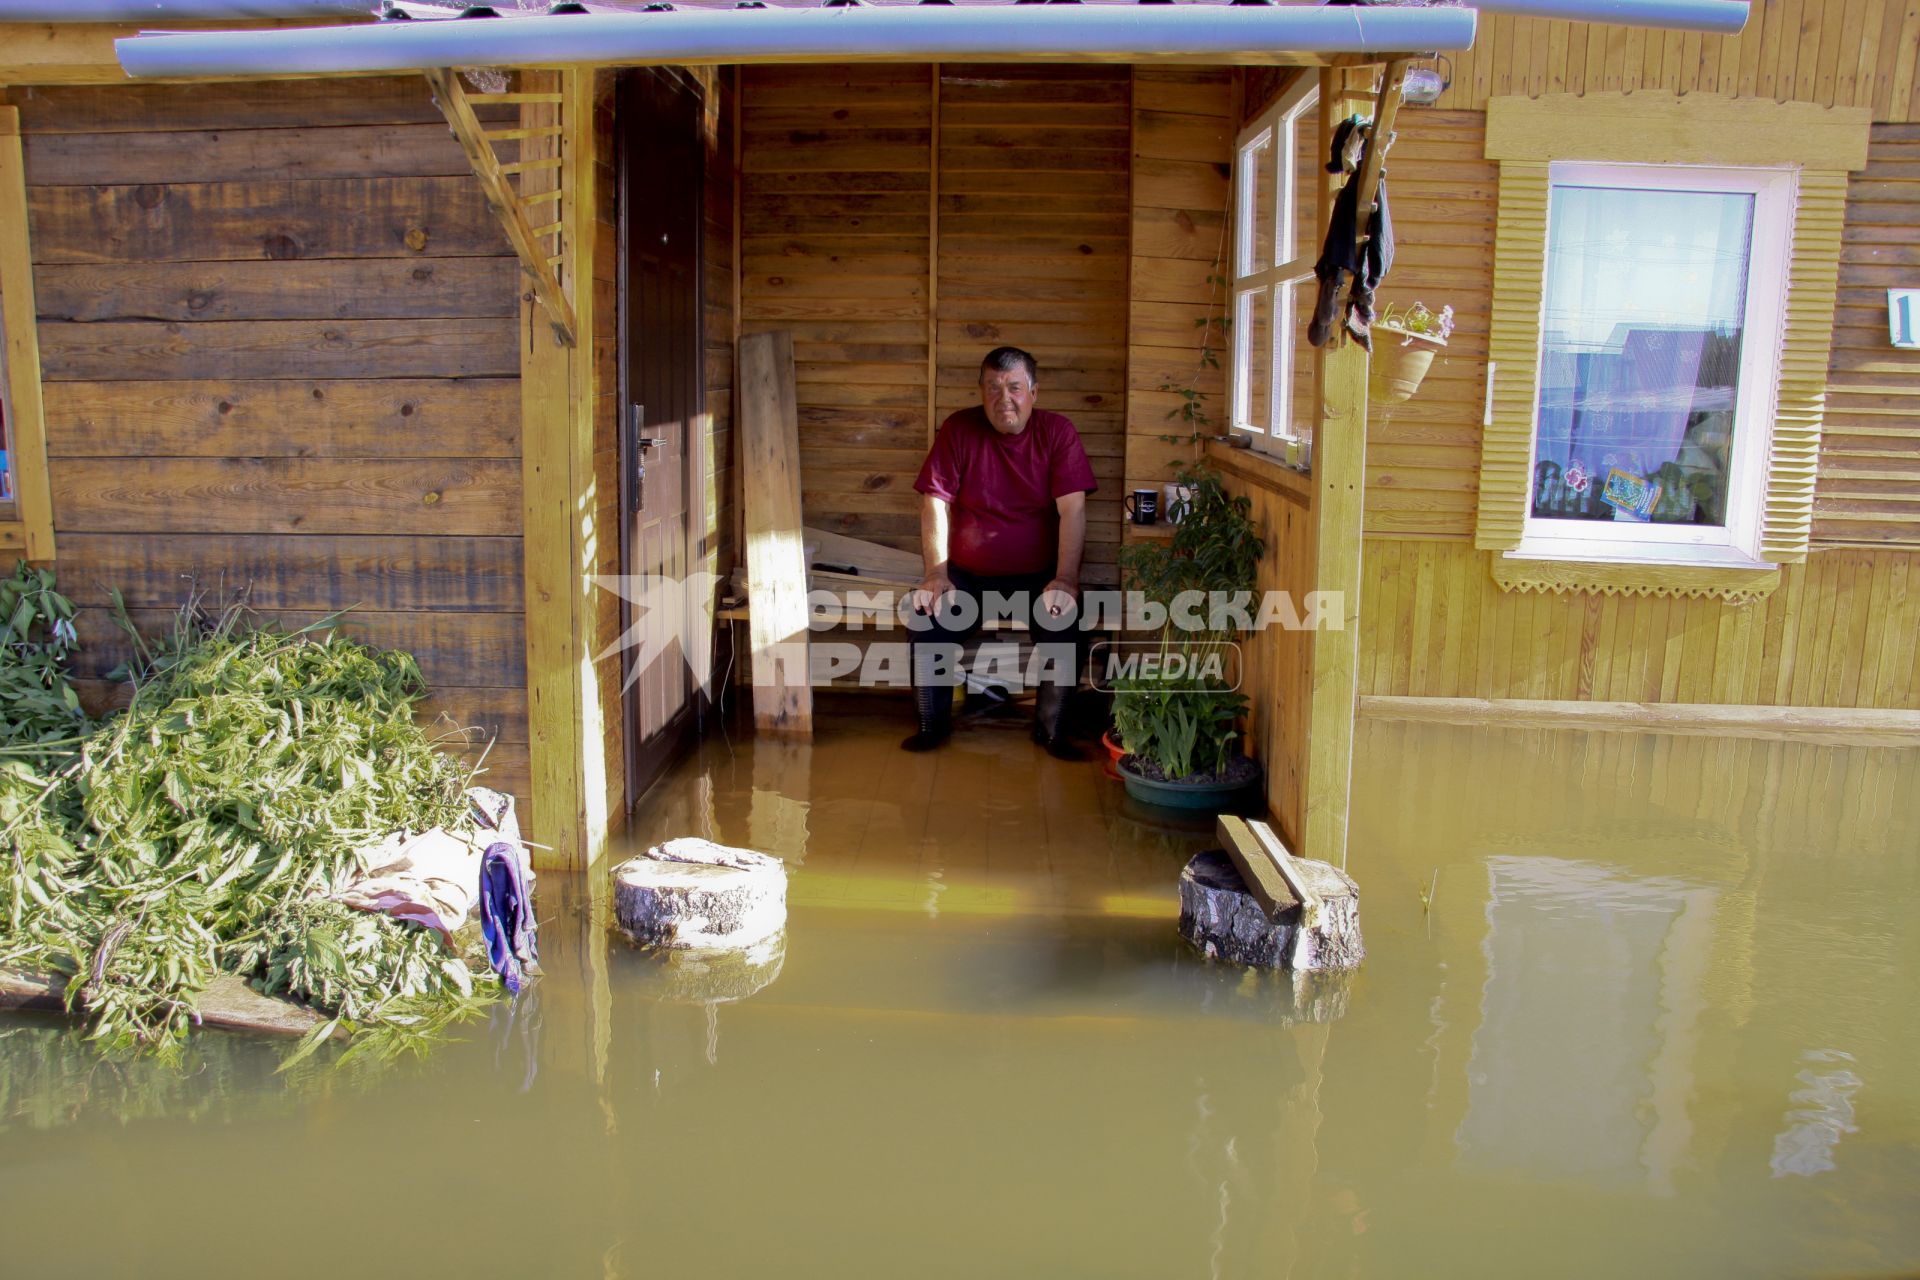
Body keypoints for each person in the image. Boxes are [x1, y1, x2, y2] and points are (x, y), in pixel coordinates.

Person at [903, 346, 1096, 756]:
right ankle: (931, 728)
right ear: (981, 390)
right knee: (925, 620)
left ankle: (1052, 733)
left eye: (1014, 387)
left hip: (1039, 576)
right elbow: (934, 502)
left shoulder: (1057, 432)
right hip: (968, 577)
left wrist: (1065, 578)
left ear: (1034, 392)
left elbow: (1073, 508)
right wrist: (936, 574)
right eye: (992, 387)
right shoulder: (959, 428)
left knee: (1067, 626)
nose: (1003, 398)